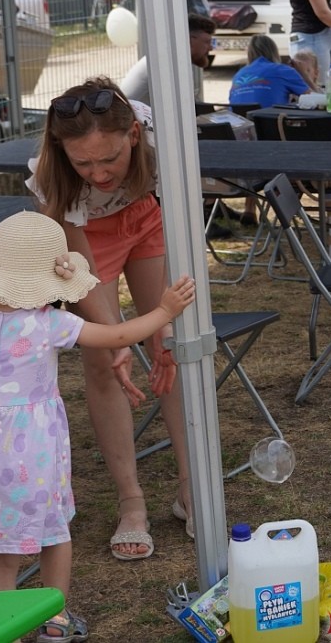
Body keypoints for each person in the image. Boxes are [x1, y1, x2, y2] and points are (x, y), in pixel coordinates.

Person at [0, 211, 195, 642]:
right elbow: (117, 336)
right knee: (53, 531)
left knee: (1, 555)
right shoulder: (50, 324)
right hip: (31, 452)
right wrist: (164, 311)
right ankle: (55, 622)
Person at [28, 78, 199, 563]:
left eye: (109, 159)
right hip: (86, 243)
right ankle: (132, 503)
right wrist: (116, 340)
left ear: (132, 138)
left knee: (170, 346)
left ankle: (191, 488)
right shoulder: (51, 176)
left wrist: (153, 332)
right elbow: (77, 265)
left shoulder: (157, 135)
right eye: (83, 163)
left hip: (144, 219)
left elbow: (182, 206)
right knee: (103, 361)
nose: (98, 173)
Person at [119, 13, 216, 105]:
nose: (210, 48)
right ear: (189, 40)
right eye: (207, 42)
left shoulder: (167, 57)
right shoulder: (168, 64)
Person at [229, 34, 317, 107]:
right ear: (274, 51)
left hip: (240, 124)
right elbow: (317, 100)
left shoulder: (239, 74)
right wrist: (303, 73)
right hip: (269, 123)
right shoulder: (283, 71)